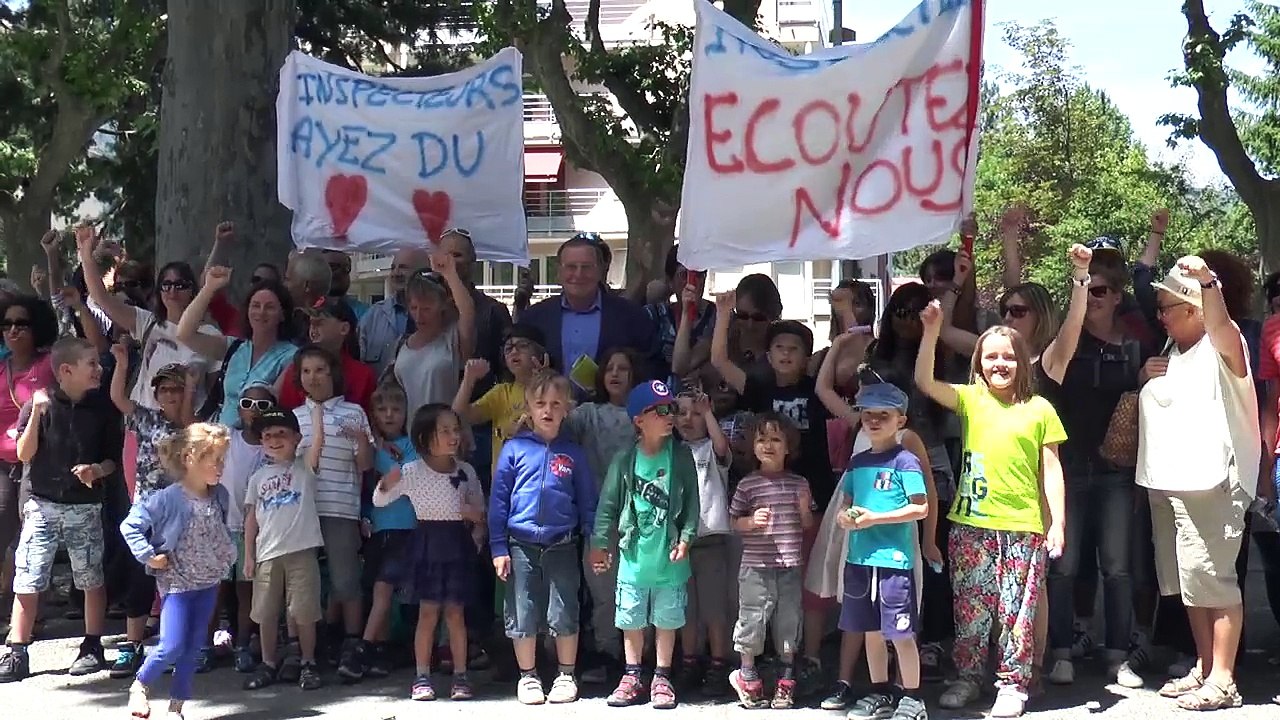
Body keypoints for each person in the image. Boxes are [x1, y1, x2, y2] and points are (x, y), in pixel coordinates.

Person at [915, 303, 1066, 718]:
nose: (1000, 363)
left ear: (1023, 362)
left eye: (1008, 356)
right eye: (991, 356)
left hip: (1022, 527)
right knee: (972, 608)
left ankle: (1013, 683)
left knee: (1017, 611)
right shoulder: (970, 400)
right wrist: (932, 331)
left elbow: (1051, 467)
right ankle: (968, 675)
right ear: (979, 364)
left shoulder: (1040, 410)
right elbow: (925, 381)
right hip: (970, 525)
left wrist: (1057, 524)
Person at [1137, 259, 1259, 711]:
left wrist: (1207, 282)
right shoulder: (1172, 348)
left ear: (1193, 308)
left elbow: (1222, 324)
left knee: (1216, 580)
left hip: (1213, 483)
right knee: (1190, 582)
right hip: (1171, 484)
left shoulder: (1224, 345)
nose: (1160, 316)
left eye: (1167, 306)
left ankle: (1224, 679)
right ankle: (1205, 667)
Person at [0, 337, 119, 683]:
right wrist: (35, 412)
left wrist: (97, 470)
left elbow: (112, 458)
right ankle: (18, 649)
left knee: (90, 576)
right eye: (92, 364)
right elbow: (24, 454)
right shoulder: (41, 405)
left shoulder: (101, 409)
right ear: (66, 370)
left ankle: (93, 644)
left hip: (84, 505)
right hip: (42, 502)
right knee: (30, 575)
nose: (99, 370)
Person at [488, 370, 598, 705]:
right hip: (519, 545)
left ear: (567, 409)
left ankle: (566, 674)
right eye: (540, 404)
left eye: (555, 404)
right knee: (522, 611)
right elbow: (499, 500)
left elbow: (588, 502)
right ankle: (528, 676)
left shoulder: (574, 454)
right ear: (530, 408)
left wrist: (595, 542)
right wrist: (498, 547)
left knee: (565, 609)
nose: (547, 410)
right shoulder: (514, 449)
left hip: (563, 544)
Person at [589, 380, 699, 709]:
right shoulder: (625, 460)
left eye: (672, 410)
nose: (670, 417)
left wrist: (687, 537)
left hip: (670, 558)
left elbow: (693, 503)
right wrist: (600, 543)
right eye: (662, 410)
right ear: (639, 419)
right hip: (634, 556)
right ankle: (633, 674)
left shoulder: (680, 457)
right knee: (631, 617)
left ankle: (662, 675)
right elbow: (608, 506)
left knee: (667, 619)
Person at [120, 423, 235, 720]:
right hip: (178, 584)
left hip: (208, 582)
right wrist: (149, 556)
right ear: (189, 458)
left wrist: (228, 559)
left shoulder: (220, 494)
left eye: (222, 459)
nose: (221, 467)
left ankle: (177, 707)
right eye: (216, 460)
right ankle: (141, 685)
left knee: (193, 648)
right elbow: (130, 525)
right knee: (171, 645)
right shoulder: (168, 498)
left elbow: (221, 532)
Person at [373, 404, 486, 702]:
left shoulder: (466, 470)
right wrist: (388, 481)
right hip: (427, 543)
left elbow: (480, 512)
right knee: (427, 612)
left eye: (455, 429)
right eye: (444, 430)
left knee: (455, 613)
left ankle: (461, 675)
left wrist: (475, 524)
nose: (453, 436)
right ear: (424, 438)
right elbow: (381, 499)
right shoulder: (412, 471)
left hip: (457, 544)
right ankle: (422, 675)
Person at [832, 383, 930, 720]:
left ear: (900, 420)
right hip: (859, 559)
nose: (873, 421)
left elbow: (921, 508)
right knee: (870, 630)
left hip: (893, 560)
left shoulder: (906, 461)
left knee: (900, 632)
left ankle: (913, 698)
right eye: (867, 415)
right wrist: (846, 517)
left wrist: (877, 518)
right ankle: (879, 692)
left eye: (883, 416)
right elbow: (846, 503)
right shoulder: (857, 463)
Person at [107, 347, 199, 679]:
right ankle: (131, 647)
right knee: (139, 581)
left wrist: (190, 387)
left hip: (177, 516)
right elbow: (118, 397)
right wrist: (121, 362)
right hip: (146, 511)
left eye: (176, 389)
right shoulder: (147, 418)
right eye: (165, 389)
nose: (170, 395)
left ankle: (175, 646)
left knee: (175, 583)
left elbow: (187, 423)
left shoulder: (194, 427)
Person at [290, 345, 375, 678]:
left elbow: (365, 465)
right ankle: (300, 648)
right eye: (307, 371)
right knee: (302, 581)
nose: (313, 377)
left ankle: (352, 643)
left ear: (333, 374)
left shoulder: (354, 413)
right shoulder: (294, 417)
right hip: (301, 512)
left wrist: (363, 442)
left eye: (320, 370)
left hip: (341, 506)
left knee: (345, 579)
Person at [561, 347, 644, 680]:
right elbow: (557, 425)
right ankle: (608, 655)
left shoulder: (646, 416)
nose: (615, 373)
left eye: (623, 367)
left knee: (640, 590)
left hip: (641, 520)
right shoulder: (588, 413)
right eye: (609, 367)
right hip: (599, 520)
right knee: (603, 592)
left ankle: (642, 658)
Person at [727, 412, 815, 710]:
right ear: (752, 446)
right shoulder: (748, 485)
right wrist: (750, 522)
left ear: (788, 446)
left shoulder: (798, 482)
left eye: (776, 439)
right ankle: (747, 672)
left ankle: (786, 678)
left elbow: (806, 524)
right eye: (761, 439)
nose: (768, 445)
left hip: (789, 565)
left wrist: (804, 507)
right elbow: (733, 521)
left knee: (788, 621)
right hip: (755, 566)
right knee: (752, 617)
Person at [242, 408, 326, 691]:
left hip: (301, 550)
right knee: (265, 612)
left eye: (281, 433)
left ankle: (308, 662)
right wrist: (249, 556)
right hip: (267, 553)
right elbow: (251, 519)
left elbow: (317, 445)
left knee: (303, 611)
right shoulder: (257, 478)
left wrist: (317, 413)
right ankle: (268, 663)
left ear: (296, 438)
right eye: (267, 435)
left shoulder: (304, 467)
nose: (274, 440)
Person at [518, 235, 658, 387]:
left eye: (586, 267)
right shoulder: (534, 318)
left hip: (612, 409)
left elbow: (651, 368)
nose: (578, 274)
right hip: (549, 407)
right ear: (559, 272)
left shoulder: (632, 317)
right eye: (571, 267)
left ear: (600, 271)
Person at [351, 383, 418, 679]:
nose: (389, 415)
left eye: (396, 409)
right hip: (378, 529)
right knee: (380, 591)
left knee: (386, 590)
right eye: (382, 410)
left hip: (406, 528)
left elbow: (402, 476)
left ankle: (362, 649)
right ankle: (381, 649)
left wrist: (378, 448)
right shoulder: (371, 445)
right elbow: (365, 487)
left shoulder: (412, 445)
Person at [175, 266, 298, 427]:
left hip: (258, 445)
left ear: (283, 314)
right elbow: (184, 333)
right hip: (221, 443)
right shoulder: (233, 347)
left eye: (269, 307)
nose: (261, 312)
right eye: (255, 305)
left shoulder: (292, 356)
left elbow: (274, 401)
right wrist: (209, 288)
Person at [672, 389, 734, 695]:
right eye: (682, 412)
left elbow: (723, 446)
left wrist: (708, 412)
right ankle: (690, 660)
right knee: (688, 609)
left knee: (713, 609)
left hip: (710, 540)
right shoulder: (670, 452)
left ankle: (719, 663)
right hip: (680, 545)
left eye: (695, 413)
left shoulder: (711, 450)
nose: (688, 418)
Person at [0, 296, 57, 594]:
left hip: (40, 463)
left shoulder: (51, 363)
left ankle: (30, 613)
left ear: (37, 328)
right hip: (3, 464)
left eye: (21, 324)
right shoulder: (0, 368)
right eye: (7, 324)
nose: (13, 330)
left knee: (32, 539)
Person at [216, 383, 273, 673]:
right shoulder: (228, 439)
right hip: (221, 526)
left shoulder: (274, 446)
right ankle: (204, 646)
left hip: (255, 532)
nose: (254, 410)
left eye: (263, 405)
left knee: (245, 592)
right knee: (216, 590)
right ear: (238, 408)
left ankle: (242, 645)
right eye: (248, 403)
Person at [389, 253, 476, 419]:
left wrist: (450, 273)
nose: (419, 316)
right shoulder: (401, 344)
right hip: (410, 438)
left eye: (427, 309)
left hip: (448, 435)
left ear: (442, 305)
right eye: (414, 308)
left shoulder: (453, 339)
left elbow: (468, 311)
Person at [453, 324, 549, 473]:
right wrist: (468, 379)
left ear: (541, 353)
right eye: (508, 349)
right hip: (503, 489)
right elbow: (458, 416)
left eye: (522, 346)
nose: (514, 352)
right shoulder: (501, 393)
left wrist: (546, 383)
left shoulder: (555, 389)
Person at [276, 298, 375, 412]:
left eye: (320, 323)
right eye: (310, 322)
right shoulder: (296, 370)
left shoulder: (363, 375)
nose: (312, 329)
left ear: (344, 328)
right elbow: (286, 418)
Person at [359, 247, 431, 375]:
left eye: (403, 267)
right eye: (393, 268)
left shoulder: (439, 316)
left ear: (423, 272)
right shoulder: (373, 316)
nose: (396, 273)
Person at [283, 250, 333, 341]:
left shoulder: (297, 324)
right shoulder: (338, 314)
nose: (284, 284)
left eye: (288, 279)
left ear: (306, 285)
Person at [321, 250, 369, 320]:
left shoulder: (366, 313)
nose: (339, 272)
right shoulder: (305, 311)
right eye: (332, 266)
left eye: (346, 267)